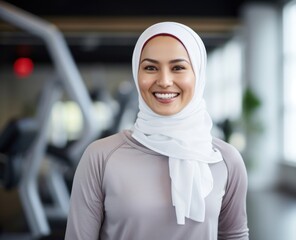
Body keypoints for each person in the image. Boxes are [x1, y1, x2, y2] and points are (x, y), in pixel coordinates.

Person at [64, 21, 249, 240]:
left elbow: (234, 236)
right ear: (136, 72)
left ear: (198, 73)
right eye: (150, 67)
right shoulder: (100, 157)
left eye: (178, 67)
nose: (164, 81)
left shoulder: (226, 160)